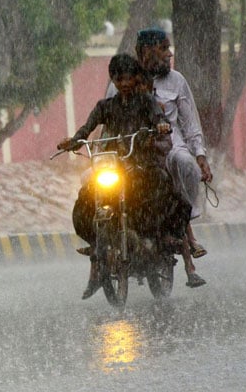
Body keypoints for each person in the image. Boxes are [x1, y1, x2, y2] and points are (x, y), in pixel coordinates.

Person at [57, 53, 190, 299]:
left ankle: (156, 239)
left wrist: (160, 125)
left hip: (142, 164)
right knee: (86, 200)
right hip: (112, 166)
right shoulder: (105, 107)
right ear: (114, 80)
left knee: (162, 193)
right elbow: (88, 128)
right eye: (119, 79)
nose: (125, 83)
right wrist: (74, 141)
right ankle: (98, 245)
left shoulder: (147, 102)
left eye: (128, 78)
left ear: (135, 78)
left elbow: (159, 118)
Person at [106, 28, 211, 288]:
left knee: (184, 164)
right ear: (146, 52)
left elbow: (190, 123)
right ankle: (101, 238)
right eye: (164, 49)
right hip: (130, 148)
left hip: (169, 145)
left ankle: (182, 225)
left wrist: (200, 155)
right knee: (94, 181)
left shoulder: (177, 81)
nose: (169, 54)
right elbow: (105, 118)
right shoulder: (122, 80)